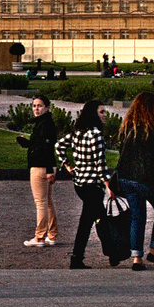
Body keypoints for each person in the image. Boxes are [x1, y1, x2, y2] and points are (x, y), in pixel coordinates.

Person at [113, 91, 154, 270]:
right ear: (148, 108)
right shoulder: (150, 130)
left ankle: (136, 258)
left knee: (138, 217)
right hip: (147, 178)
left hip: (126, 177)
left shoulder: (127, 127)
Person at [59, 100, 112, 270]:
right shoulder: (95, 134)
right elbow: (100, 163)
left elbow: (59, 145)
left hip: (80, 184)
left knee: (94, 219)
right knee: (94, 220)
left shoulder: (78, 132)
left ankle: (108, 253)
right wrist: (108, 185)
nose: (105, 115)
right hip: (93, 184)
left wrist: (67, 165)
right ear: (93, 114)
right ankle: (109, 252)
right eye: (102, 112)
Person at [17, 94, 59, 247]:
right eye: (34, 106)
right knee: (47, 202)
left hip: (41, 166)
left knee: (41, 202)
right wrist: (28, 144)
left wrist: (48, 169)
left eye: (39, 106)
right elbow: (42, 145)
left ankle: (39, 237)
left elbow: (47, 147)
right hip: (45, 165)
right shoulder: (45, 123)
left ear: (47, 108)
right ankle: (52, 234)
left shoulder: (44, 124)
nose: (36, 108)